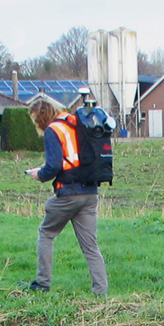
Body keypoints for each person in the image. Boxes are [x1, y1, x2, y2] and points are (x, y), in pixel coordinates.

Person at [24, 100, 108, 296]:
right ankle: (101, 292)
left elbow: (53, 166)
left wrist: (40, 174)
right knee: (90, 246)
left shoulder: (54, 130)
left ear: (40, 117)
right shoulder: (75, 124)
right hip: (90, 192)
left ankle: (42, 284)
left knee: (46, 233)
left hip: (69, 193)